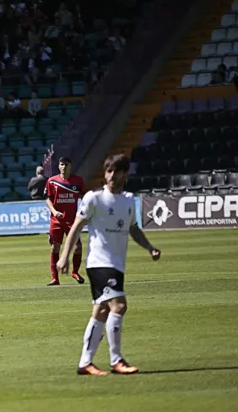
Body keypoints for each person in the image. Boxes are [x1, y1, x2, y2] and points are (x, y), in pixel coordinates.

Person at [57, 154, 161, 376]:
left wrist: (149, 247)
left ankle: (85, 362)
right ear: (105, 174)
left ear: (125, 174)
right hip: (99, 262)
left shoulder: (128, 201)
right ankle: (117, 360)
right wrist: (64, 256)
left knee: (101, 310)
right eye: (109, 171)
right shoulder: (94, 199)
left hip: (116, 264)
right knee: (119, 306)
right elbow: (76, 226)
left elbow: (133, 228)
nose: (112, 176)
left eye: (117, 171)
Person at [45, 156, 86, 286]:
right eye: (61, 164)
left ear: (70, 166)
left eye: (66, 164)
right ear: (59, 166)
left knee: (78, 247)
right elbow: (48, 199)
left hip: (72, 221)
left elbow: (85, 197)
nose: (64, 167)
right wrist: (54, 211)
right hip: (56, 220)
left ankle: (75, 272)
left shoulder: (78, 181)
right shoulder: (52, 181)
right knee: (55, 247)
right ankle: (54, 278)